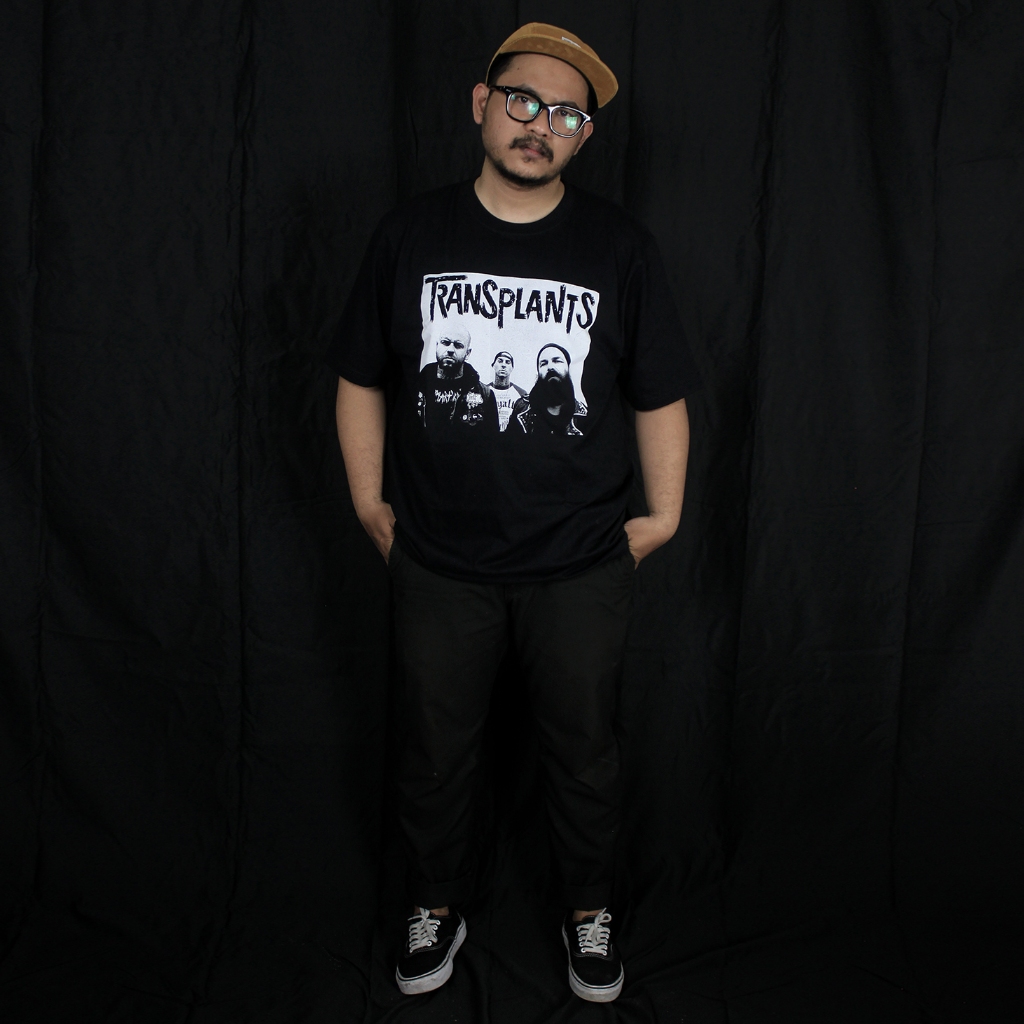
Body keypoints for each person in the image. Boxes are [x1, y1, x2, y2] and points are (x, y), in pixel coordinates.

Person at [329, 21, 698, 1004]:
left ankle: (588, 909)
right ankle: (434, 902)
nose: (542, 125)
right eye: (525, 101)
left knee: (584, 753)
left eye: (568, 114)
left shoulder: (619, 248)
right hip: (439, 558)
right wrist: (366, 499)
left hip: (578, 561)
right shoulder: (409, 236)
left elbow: (658, 391)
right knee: (433, 753)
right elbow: (360, 375)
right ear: (481, 106)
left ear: (585, 136)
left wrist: (663, 515)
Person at [416, 324, 498, 431]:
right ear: (437, 346)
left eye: (458, 345)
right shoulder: (417, 387)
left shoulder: (484, 395)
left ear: (467, 353)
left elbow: (492, 439)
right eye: (445, 343)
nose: (450, 350)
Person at [510, 342, 586, 435]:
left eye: (557, 361)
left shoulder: (584, 416)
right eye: (543, 364)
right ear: (538, 373)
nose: (550, 367)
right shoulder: (521, 408)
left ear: (568, 368)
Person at [489, 350, 528, 431]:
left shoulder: (521, 394)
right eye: (500, 361)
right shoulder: (484, 392)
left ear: (512, 368)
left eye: (507, 362)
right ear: (493, 365)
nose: (503, 365)